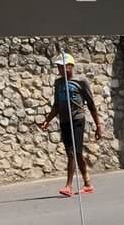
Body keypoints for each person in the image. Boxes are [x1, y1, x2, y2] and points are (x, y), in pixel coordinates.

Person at [39, 53, 103, 195]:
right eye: (58, 67)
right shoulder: (58, 83)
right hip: (64, 121)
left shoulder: (81, 81)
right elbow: (56, 105)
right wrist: (47, 120)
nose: (60, 70)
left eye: (63, 67)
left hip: (77, 119)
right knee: (77, 153)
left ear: (70, 66)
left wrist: (98, 126)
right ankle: (87, 183)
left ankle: (68, 186)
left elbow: (91, 104)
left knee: (72, 152)